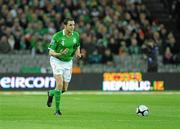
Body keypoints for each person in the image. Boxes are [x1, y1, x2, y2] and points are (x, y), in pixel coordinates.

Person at [47, 18, 81, 116]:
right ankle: (57, 110)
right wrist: (59, 53)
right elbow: (50, 52)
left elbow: (77, 45)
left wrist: (78, 53)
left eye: (73, 25)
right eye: (70, 25)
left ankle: (51, 93)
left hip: (68, 62)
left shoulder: (76, 35)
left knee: (64, 89)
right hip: (56, 61)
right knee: (60, 84)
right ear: (65, 26)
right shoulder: (57, 36)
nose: (73, 27)